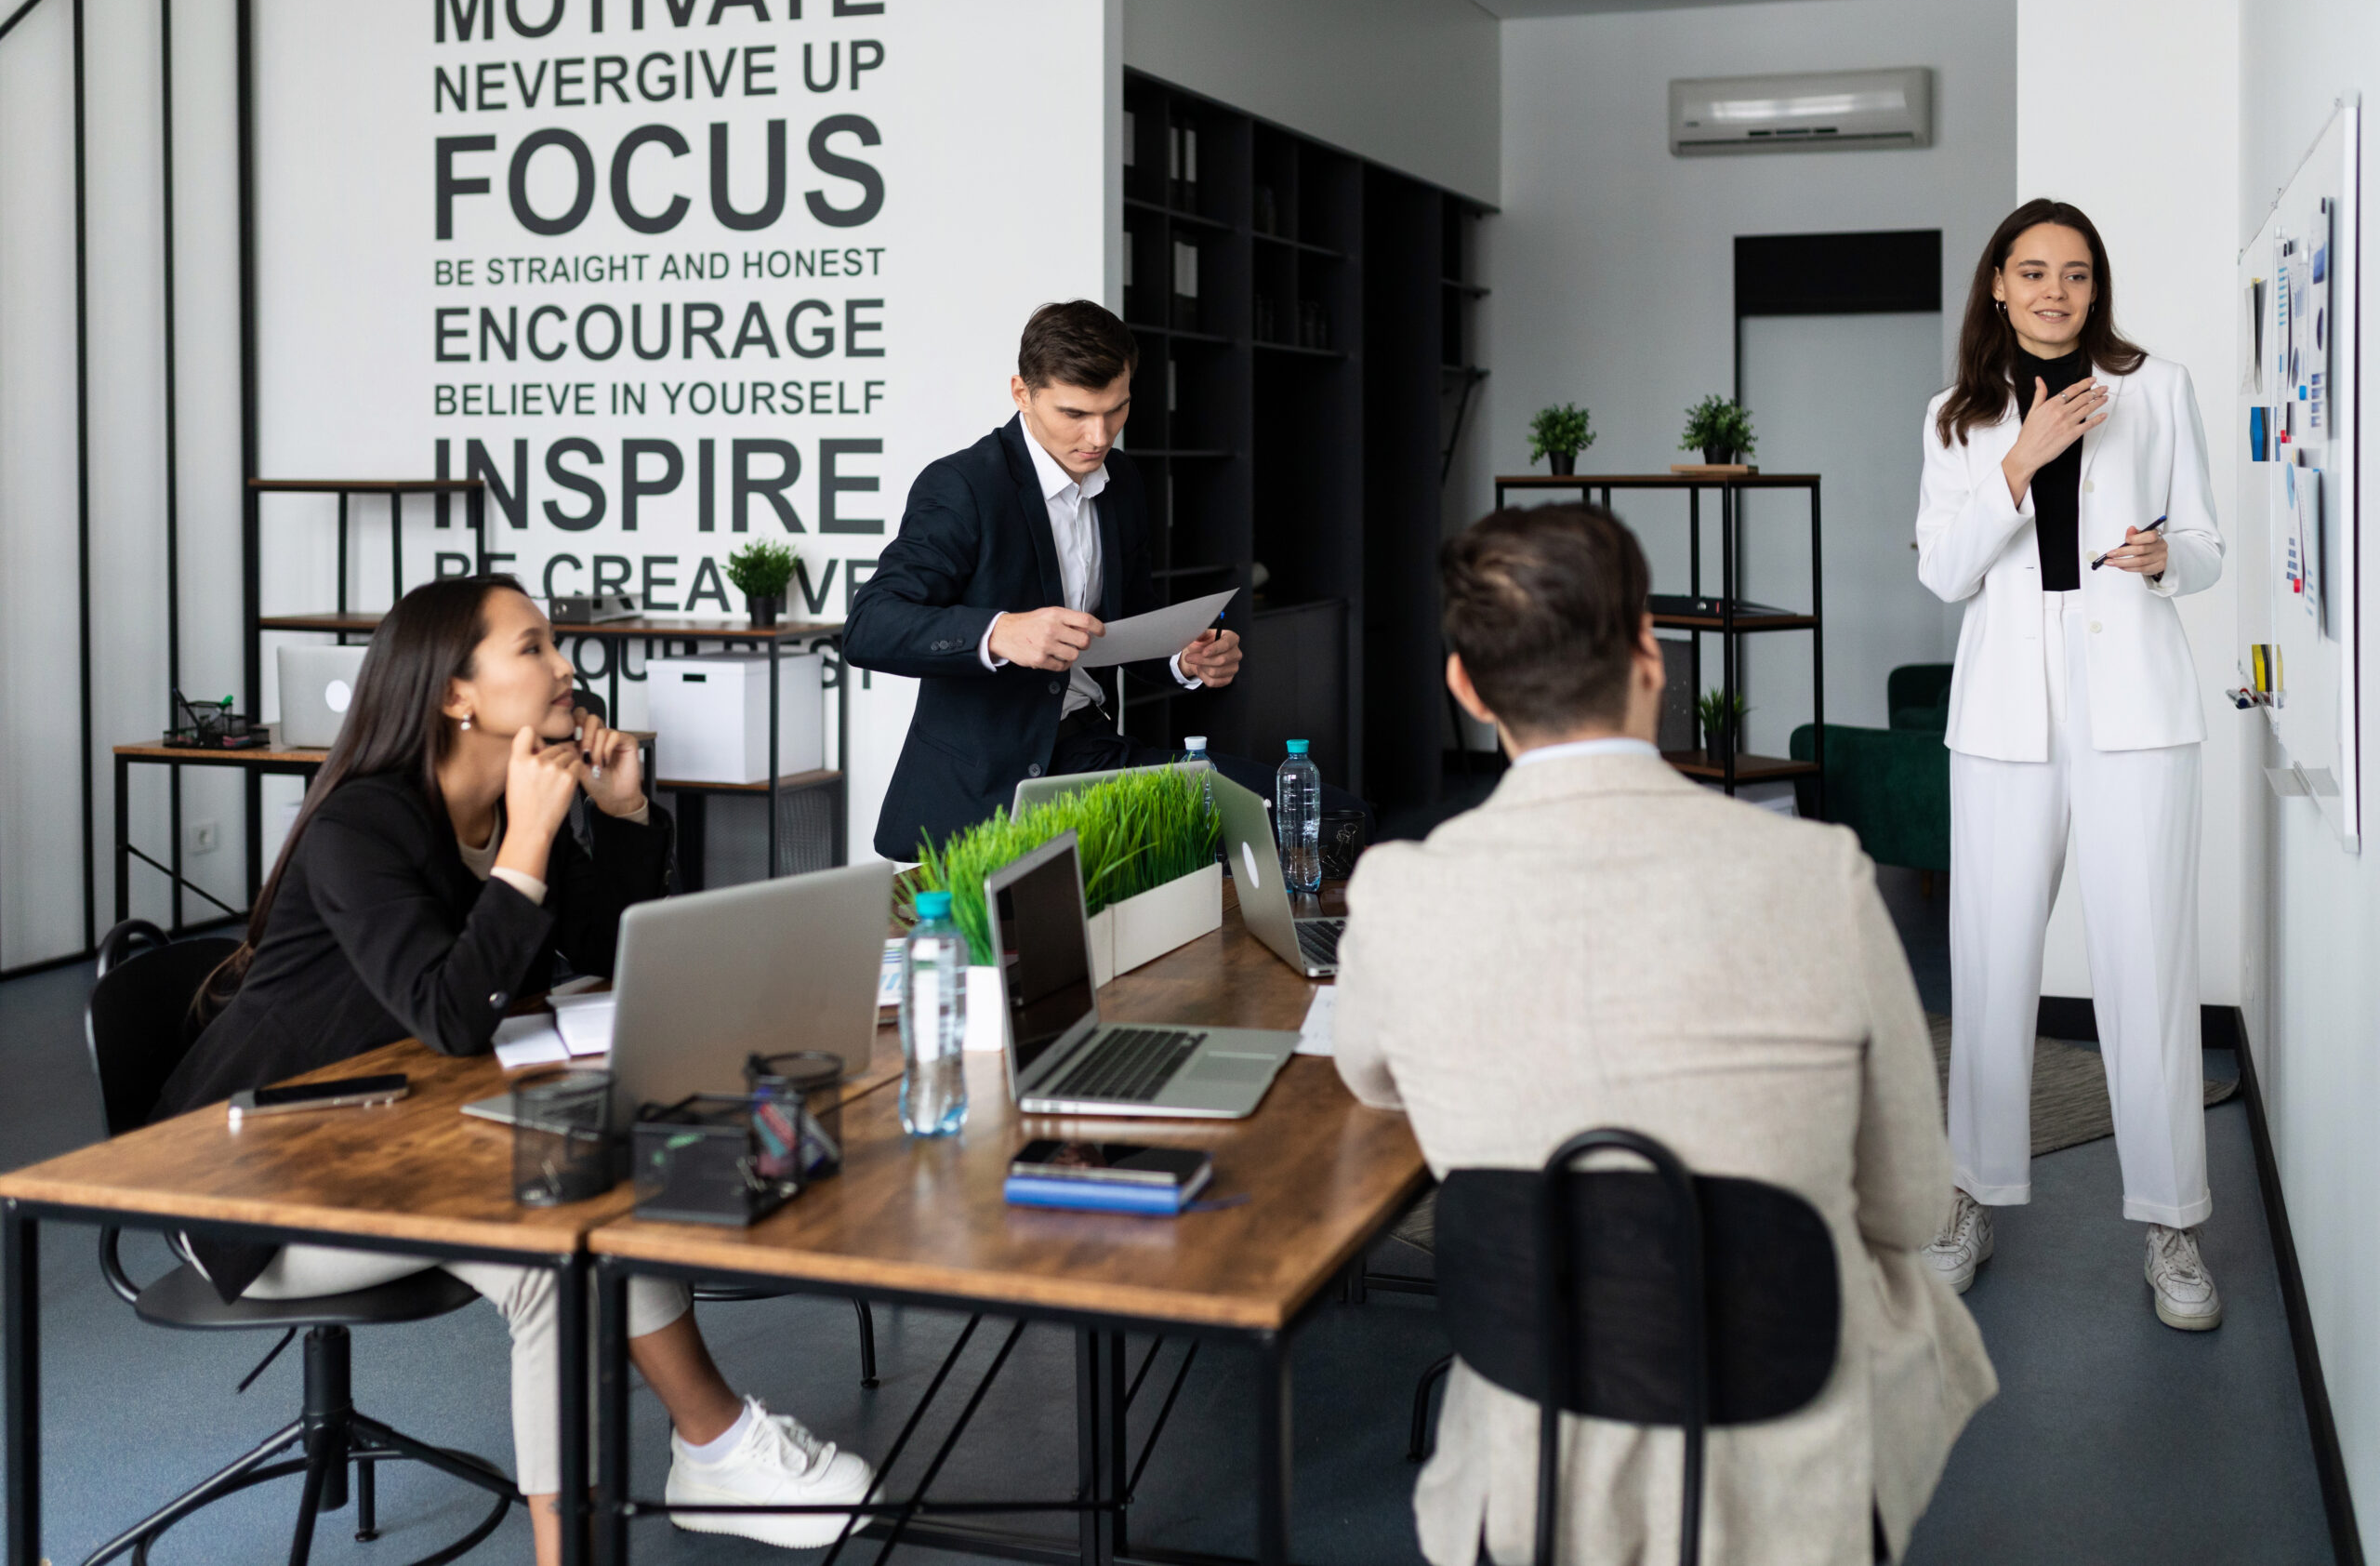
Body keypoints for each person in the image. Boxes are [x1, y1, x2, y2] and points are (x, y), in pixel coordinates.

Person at [155, 577, 870, 1563]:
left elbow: (597, 956)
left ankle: (715, 1450)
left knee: (625, 1161)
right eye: (531, 648)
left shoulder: (506, 801)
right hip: (250, 1175)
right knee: (552, 1245)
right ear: (456, 696)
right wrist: (533, 836)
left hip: (401, 1129)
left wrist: (619, 820)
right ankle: (664, 1481)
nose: (565, 665)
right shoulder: (361, 826)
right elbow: (454, 1015)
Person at [1332, 506, 1995, 1566]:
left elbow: (1366, 1074)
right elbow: (1912, 1203)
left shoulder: (1400, 893)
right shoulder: (1818, 875)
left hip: (1533, 1467)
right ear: (1652, 653)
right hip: (1790, 1470)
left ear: (1464, 684)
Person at [1916, 199, 2226, 1330]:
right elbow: (1945, 574)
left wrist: (2162, 558)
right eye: (2034, 271)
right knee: (1991, 960)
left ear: (2097, 289)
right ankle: (1972, 1198)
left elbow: (2202, 547)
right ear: (1997, 283)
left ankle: (2172, 1224)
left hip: (2134, 706)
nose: (2056, 291)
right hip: (2005, 713)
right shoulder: (1956, 417)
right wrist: (2020, 459)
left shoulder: (2156, 390)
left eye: (2078, 274)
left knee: (2146, 963)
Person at [843, 299, 1245, 860]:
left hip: (1091, 750)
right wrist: (1000, 632)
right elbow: (868, 626)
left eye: (1117, 409)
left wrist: (1184, 660)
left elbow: (1125, 619)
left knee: (1294, 815)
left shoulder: (1122, 481)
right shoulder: (963, 486)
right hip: (985, 788)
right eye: (1074, 414)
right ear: (1021, 393)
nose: (1099, 436)